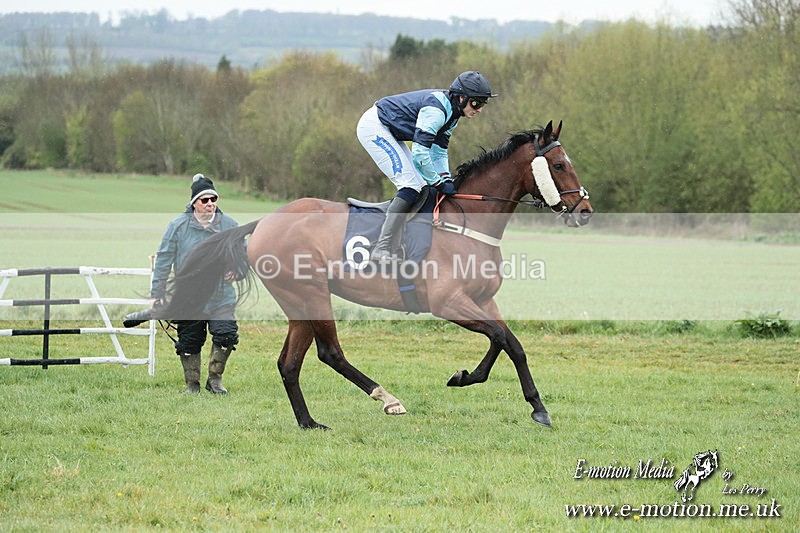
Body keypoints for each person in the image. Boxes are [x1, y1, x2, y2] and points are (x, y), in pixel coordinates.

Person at [356, 70, 497, 262]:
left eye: (483, 104)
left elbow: (438, 151)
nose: (479, 109)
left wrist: (446, 178)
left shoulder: (453, 114)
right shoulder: (436, 111)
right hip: (375, 127)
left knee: (421, 184)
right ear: (462, 98)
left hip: (392, 131)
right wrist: (437, 181)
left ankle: (402, 240)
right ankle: (382, 248)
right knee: (410, 185)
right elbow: (421, 154)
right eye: (476, 103)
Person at [150, 174, 240, 394]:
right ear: (194, 203)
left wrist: (237, 271)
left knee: (226, 334)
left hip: (221, 296)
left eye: (213, 199)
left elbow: (242, 255)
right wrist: (157, 292)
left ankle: (215, 380)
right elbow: (164, 258)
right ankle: (192, 384)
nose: (210, 204)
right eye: (205, 200)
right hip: (188, 297)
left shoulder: (229, 225)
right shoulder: (178, 226)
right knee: (190, 341)